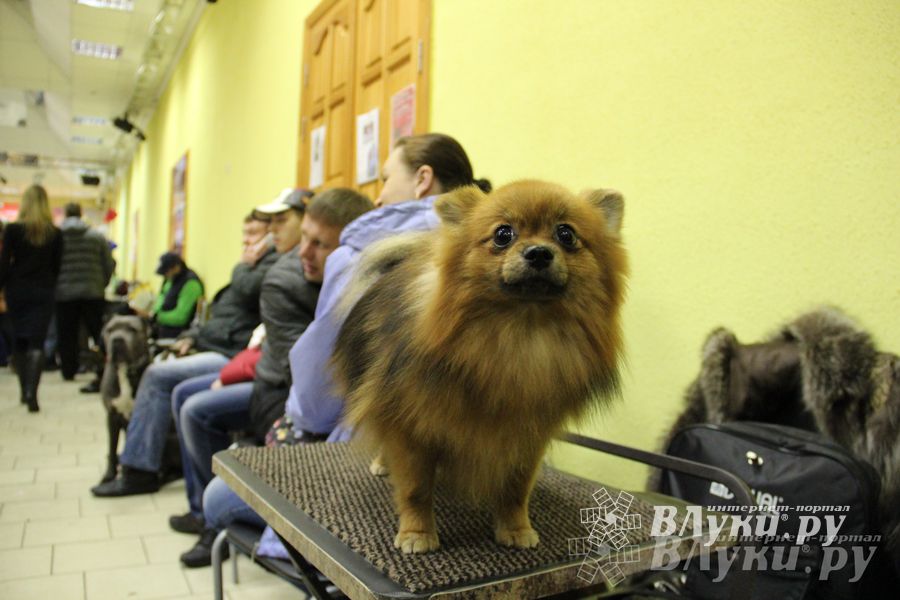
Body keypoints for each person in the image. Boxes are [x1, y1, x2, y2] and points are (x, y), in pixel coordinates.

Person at [200, 133, 489, 554]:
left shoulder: (360, 254)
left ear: (423, 179)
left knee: (217, 501)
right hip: (485, 483)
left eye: (386, 178)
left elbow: (317, 399)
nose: (379, 196)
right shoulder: (500, 245)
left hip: (391, 475)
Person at [173, 188, 373, 567]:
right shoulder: (285, 280)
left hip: (311, 400)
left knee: (191, 403)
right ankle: (208, 523)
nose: (303, 252)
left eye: (319, 244)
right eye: (304, 239)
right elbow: (300, 372)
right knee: (192, 407)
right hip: (277, 393)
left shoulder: (363, 277)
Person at [91, 208, 284, 497]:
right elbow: (220, 319)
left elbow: (246, 293)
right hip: (211, 343)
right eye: (244, 234)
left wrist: (244, 265)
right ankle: (148, 460)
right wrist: (192, 336)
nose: (247, 241)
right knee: (159, 372)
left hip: (230, 354)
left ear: (271, 236)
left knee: (157, 376)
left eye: (254, 234)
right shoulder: (252, 267)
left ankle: (139, 470)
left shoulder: (269, 266)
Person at [0, 185, 63, 412]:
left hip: (17, 290)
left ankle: (23, 391)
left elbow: (5, 264)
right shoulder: (55, 234)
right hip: (43, 291)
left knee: (20, 341)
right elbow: (57, 267)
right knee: (37, 341)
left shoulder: (14, 230)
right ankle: (32, 393)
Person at [54, 202, 115, 388]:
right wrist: (101, 283)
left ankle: (68, 371)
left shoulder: (58, 237)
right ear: (81, 214)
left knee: (67, 334)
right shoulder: (96, 237)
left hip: (64, 293)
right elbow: (109, 263)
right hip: (92, 291)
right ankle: (102, 369)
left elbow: (52, 264)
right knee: (98, 333)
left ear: (65, 214)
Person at [142, 252, 204, 339]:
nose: (165, 276)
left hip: (177, 332)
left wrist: (156, 317)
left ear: (176, 267)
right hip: (162, 327)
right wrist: (153, 314)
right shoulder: (170, 280)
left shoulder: (191, 284)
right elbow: (161, 299)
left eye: (166, 272)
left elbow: (180, 318)